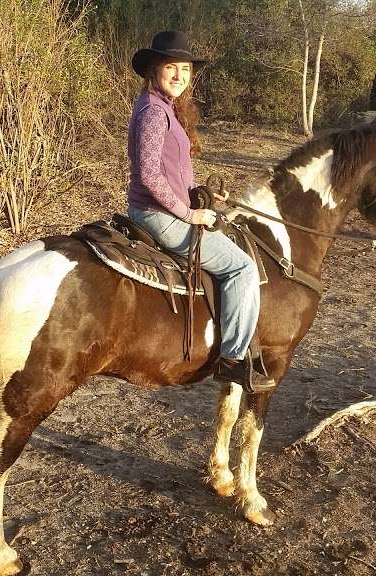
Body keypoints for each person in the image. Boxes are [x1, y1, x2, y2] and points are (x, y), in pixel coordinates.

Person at [126, 30, 273, 393]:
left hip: (168, 208)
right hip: (158, 214)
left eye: (186, 70)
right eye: (171, 67)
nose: (179, 76)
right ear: (154, 70)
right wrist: (189, 215)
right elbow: (148, 175)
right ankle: (234, 360)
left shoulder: (163, 108)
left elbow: (172, 172)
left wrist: (203, 195)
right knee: (242, 267)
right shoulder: (152, 114)